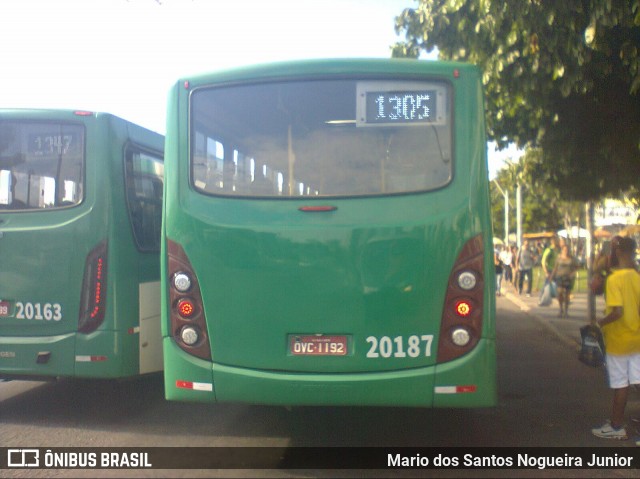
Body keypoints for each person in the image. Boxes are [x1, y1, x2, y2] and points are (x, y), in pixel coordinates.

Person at [591, 237, 640, 441]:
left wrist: (599, 324)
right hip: (637, 339)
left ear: (618, 253)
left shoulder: (615, 280)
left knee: (621, 386)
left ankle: (616, 425)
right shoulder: (637, 277)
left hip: (619, 342)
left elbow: (617, 312)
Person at [550, 244, 580, 318]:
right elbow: (555, 268)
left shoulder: (572, 258)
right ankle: (560, 309)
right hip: (559, 277)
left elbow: (577, 267)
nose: (566, 251)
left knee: (567, 295)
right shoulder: (559, 258)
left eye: (567, 250)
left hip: (568, 278)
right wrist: (551, 276)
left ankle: (566, 311)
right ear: (562, 250)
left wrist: (573, 273)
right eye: (564, 250)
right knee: (560, 293)